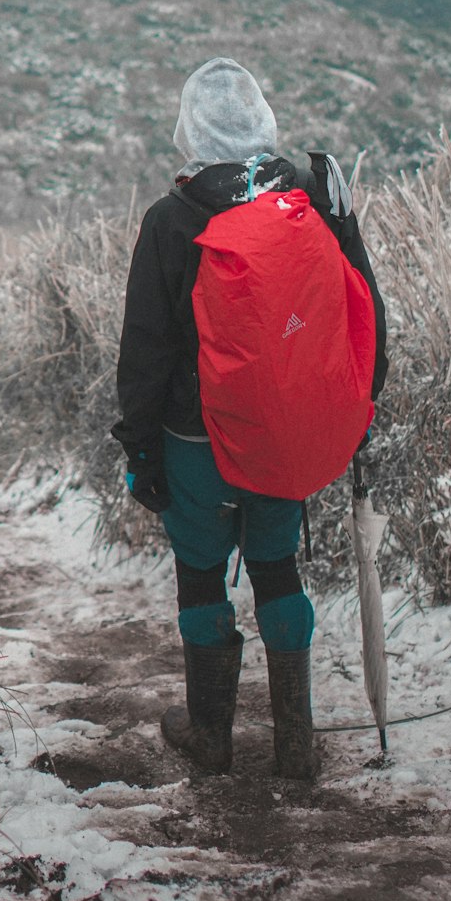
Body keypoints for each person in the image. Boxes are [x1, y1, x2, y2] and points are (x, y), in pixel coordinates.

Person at [112, 57, 388, 780]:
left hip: (193, 438)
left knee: (202, 576)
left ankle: (213, 738)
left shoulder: (172, 220)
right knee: (276, 565)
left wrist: (138, 447)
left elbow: (145, 348)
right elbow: (359, 304)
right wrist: (362, 399)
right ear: (262, 119)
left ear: (189, 130)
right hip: (280, 428)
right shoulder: (304, 202)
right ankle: (296, 743)